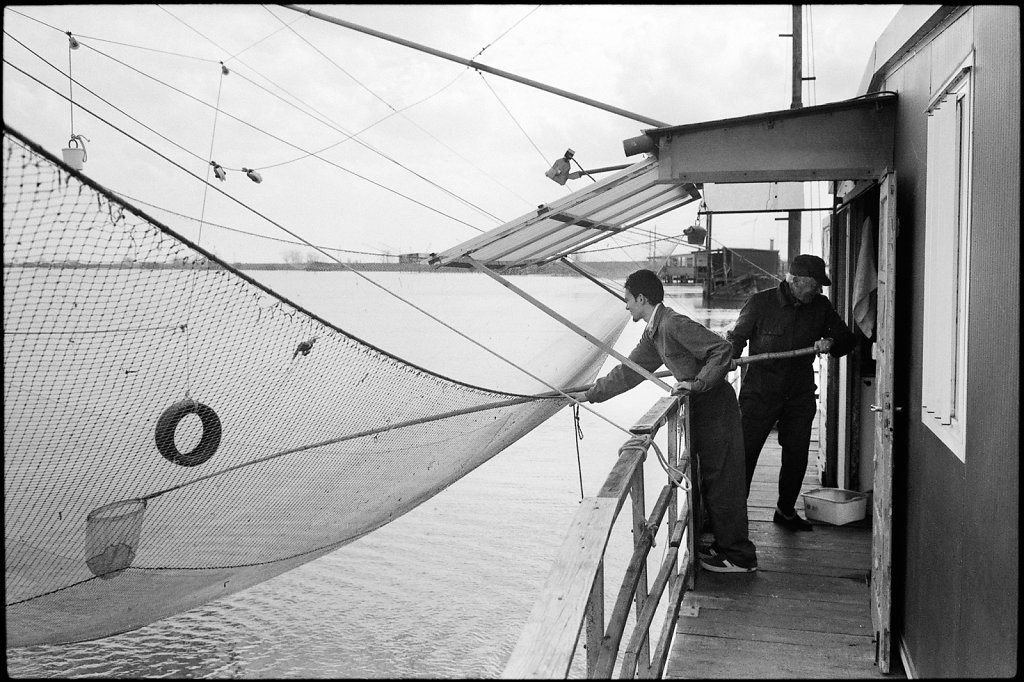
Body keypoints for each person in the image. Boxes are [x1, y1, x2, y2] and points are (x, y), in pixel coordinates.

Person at [568, 269, 757, 573]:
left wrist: (696, 384)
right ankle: (725, 546)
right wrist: (590, 394)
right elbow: (629, 372)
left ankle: (740, 557)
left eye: (628, 299)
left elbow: (722, 350)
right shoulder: (654, 333)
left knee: (724, 481)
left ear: (642, 298)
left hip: (716, 408)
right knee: (710, 479)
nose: (626, 305)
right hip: (700, 410)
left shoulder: (672, 324)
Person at [727, 254, 857, 531]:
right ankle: (732, 519)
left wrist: (831, 341)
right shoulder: (760, 303)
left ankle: (785, 512)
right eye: (815, 284)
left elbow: (847, 340)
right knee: (744, 456)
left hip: (799, 395)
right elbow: (735, 340)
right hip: (759, 394)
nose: (820, 290)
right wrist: (720, 367)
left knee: (797, 455)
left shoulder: (820, 307)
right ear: (796, 281)